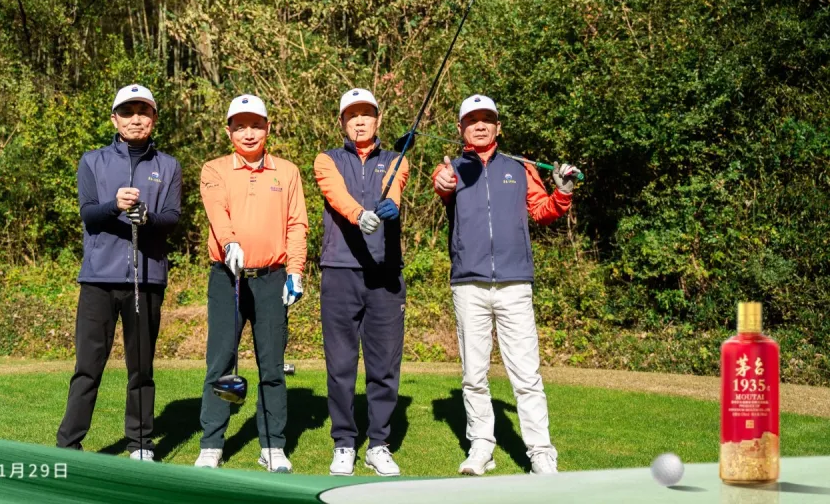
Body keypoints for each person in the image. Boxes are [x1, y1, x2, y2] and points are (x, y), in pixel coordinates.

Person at [431, 94, 581, 476]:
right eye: (472, 120)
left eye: (487, 118)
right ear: (461, 128)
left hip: (515, 284)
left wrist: (563, 192)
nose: (480, 125)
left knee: (527, 375)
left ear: (498, 126)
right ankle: (481, 446)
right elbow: (442, 185)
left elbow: (542, 210)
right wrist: (444, 180)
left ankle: (541, 453)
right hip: (469, 284)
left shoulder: (520, 168)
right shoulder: (452, 169)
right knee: (473, 375)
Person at [57, 84, 182, 460]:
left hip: (147, 279)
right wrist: (115, 205)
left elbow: (171, 218)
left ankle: (140, 443)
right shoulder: (92, 161)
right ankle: (69, 443)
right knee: (87, 366)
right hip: (99, 279)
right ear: (114, 119)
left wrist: (148, 218)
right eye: (127, 112)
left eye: (143, 111)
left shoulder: (168, 166)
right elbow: (89, 213)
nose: (136, 119)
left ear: (154, 118)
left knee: (141, 368)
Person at [195, 94, 308, 473]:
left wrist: (295, 271)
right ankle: (212, 444)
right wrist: (230, 244)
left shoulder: (287, 172)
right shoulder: (214, 169)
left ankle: (273, 446)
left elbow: (297, 224)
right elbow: (217, 212)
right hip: (227, 278)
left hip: (271, 279)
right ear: (228, 131)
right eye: (240, 126)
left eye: (256, 125)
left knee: (272, 366)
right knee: (221, 362)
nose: (248, 133)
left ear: (268, 128)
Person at [313, 88, 410, 477]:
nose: (359, 121)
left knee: (384, 364)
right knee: (340, 364)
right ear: (341, 122)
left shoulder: (395, 159)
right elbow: (334, 193)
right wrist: (359, 214)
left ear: (378, 119)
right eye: (351, 115)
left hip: (386, 273)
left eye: (366, 114)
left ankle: (379, 444)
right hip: (340, 271)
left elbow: (395, 185)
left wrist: (391, 206)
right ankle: (344, 443)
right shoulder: (327, 159)